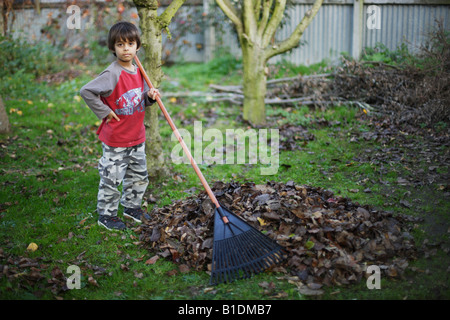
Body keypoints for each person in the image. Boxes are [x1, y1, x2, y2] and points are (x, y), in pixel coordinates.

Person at [80, 21, 160, 231]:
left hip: (137, 136)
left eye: (130, 43)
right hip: (116, 139)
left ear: (137, 47)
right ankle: (106, 215)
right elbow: (86, 91)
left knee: (138, 176)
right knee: (112, 178)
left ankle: (131, 207)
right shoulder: (112, 74)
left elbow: (137, 100)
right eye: (120, 44)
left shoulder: (139, 71)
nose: (126, 48)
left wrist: (149, 97)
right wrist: (105, 111)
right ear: (113, 48)